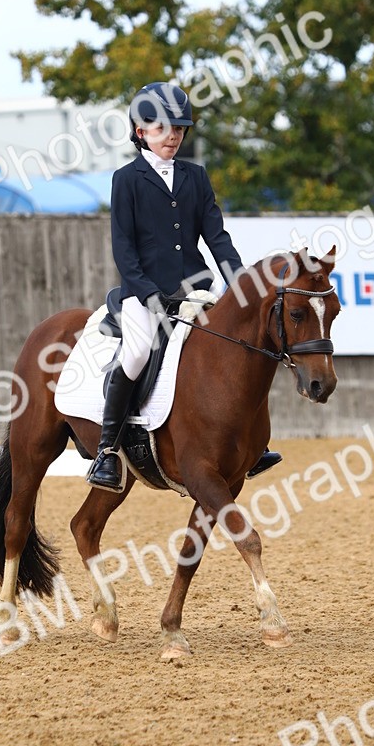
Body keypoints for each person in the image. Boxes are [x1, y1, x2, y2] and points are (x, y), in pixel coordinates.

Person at [86, 81, 282, 492]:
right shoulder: (127, 179)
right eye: (162, 128)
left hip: (196, 289)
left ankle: (252, 444)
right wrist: (148, 294)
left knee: (235, 346)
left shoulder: (195, 176)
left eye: (179, 129)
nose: (173, 136)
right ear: (141, 131)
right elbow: (124, 250)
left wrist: (240, 282)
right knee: (138, 352)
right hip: (144, 294)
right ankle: (107, 450)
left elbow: (217, 238)